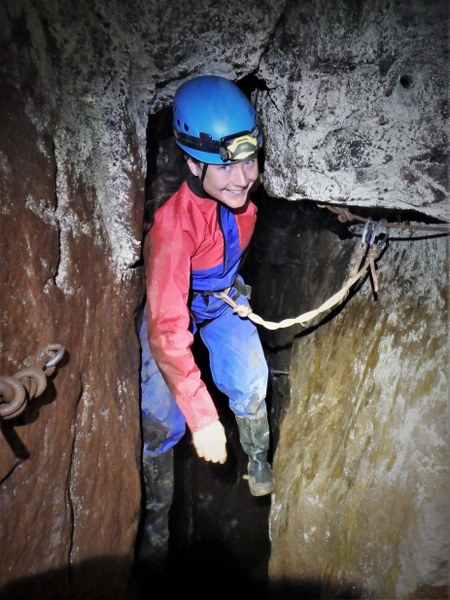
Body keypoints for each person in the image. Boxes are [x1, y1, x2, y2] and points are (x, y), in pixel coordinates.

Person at [137, 74, 275, 570]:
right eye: (226, 166)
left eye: (250, 160)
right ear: (193, 163)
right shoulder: (174, 228)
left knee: (252, 378)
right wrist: (202, 417)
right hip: (172, 314)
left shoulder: (243, 207)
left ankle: (257, 459)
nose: (243, 177)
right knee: (160, 418)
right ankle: (156, 522)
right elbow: (167, 330)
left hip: (218, 303)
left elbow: (229, 258)